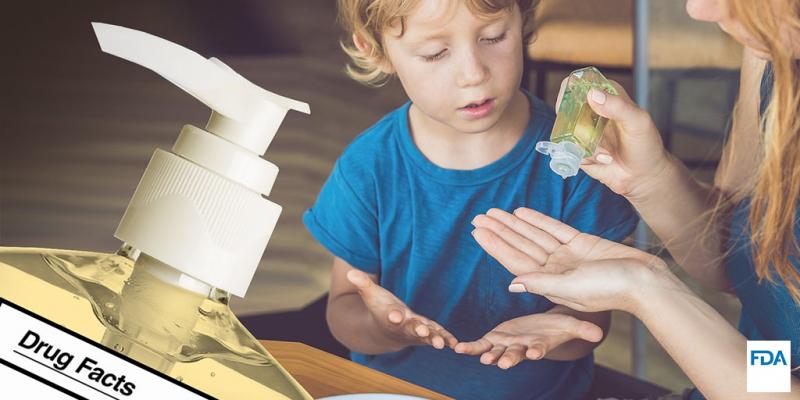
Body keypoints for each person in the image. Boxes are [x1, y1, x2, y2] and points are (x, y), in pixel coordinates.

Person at [302, 0, 639, 398]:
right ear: (376, 51)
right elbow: (343, 308)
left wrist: (557, 332)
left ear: (525, 21)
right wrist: (380, 328)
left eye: (493, 37)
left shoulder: (577, 161)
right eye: (435, 53)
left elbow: (591, 322)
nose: (474, 74)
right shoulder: (368, 168)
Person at [469, 0, 800, 398]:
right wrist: (649, 178)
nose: (700, 10)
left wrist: (647, 290)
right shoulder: (773, 51)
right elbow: (752, 271)